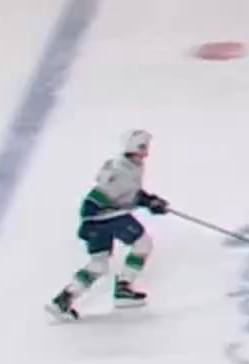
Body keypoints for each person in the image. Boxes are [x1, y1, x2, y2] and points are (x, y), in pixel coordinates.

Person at [46, 131, 168, 321]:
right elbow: (99, 196)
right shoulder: (121, 170)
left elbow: (129, 192)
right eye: (143, 148)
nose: (145, 153)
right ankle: (123, 288)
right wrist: (88, 220)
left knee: (99, 264)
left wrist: (150, 201)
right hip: (109, 216)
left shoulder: (130, 166)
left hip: (102, 218)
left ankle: (63, 299)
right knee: (143, 244)